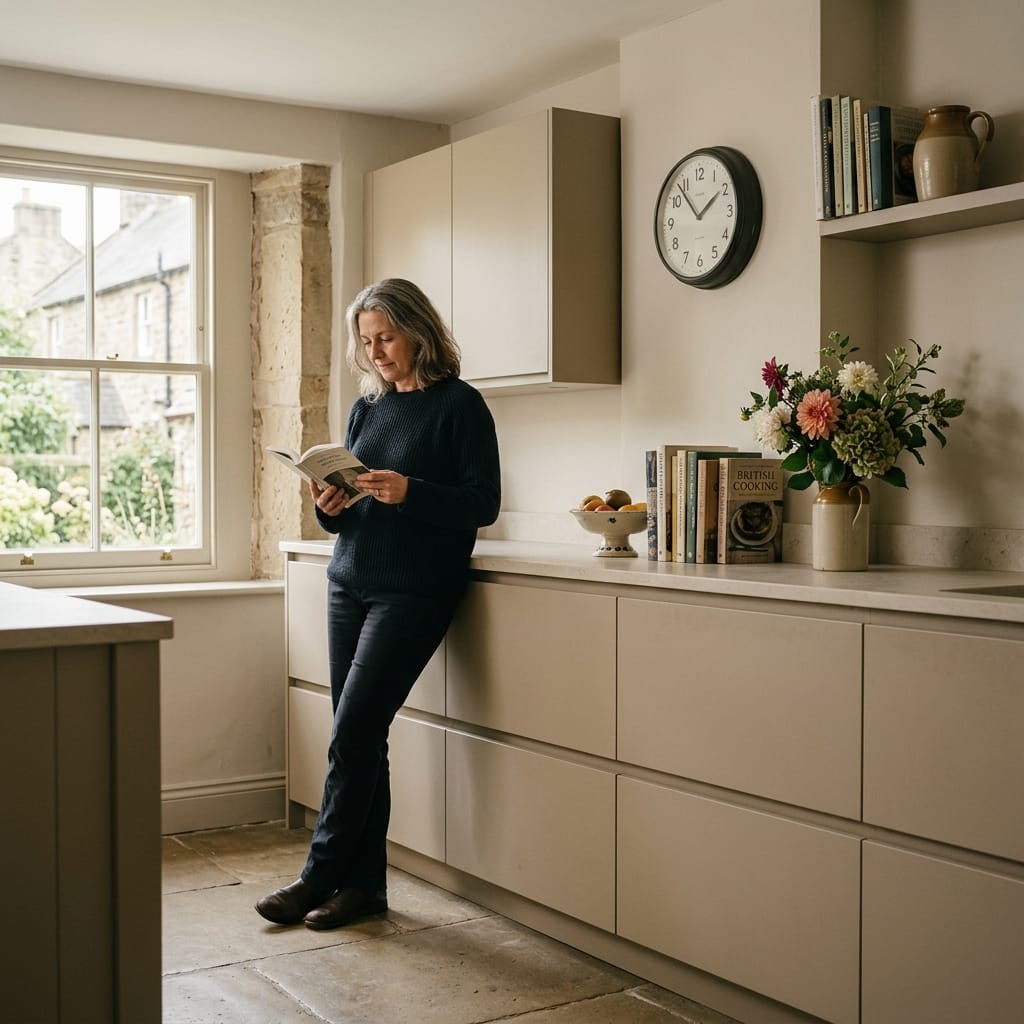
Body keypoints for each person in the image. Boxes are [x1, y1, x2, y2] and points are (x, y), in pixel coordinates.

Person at [256, 278, 501, 930]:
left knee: (355, 731)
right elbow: (350, 515)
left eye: (385, 337)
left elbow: (483, 504)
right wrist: (327, 506)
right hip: (349, 580)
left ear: (419, 330)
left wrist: (410, 492)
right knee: (361, 738)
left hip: (414, 591)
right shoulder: (368, 409)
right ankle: (364, 889)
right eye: (366, 342)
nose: (377, 352)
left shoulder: (461, 407)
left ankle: (318, 875)